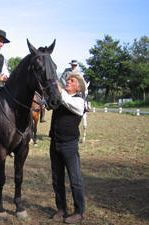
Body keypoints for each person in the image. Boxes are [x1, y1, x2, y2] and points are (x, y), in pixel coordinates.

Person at [49, 71, 87, 224]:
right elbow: (48, 103)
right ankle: (61, 209)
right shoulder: (61, 98)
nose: (68, 82)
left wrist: (59, 90)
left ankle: (79, 211)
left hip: (69, 145)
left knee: (75, 180)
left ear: (78, 88)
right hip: (55, 143)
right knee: (57, 179)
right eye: (68, 80)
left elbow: (67, 101)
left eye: (72, 81)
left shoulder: (79, 101)